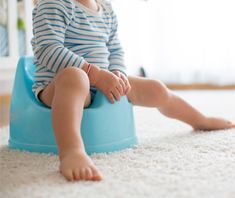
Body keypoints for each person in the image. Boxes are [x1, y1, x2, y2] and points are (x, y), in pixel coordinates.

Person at [31, 0, 235, 182]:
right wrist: (95, 74)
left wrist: (118, 73)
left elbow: (115, 49)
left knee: (155, 89)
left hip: (102, 81)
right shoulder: (53, 4)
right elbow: (48, 49)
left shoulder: (106, 8)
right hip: (59, 87)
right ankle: (71, 151)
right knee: (76, 77)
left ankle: (200, 120)